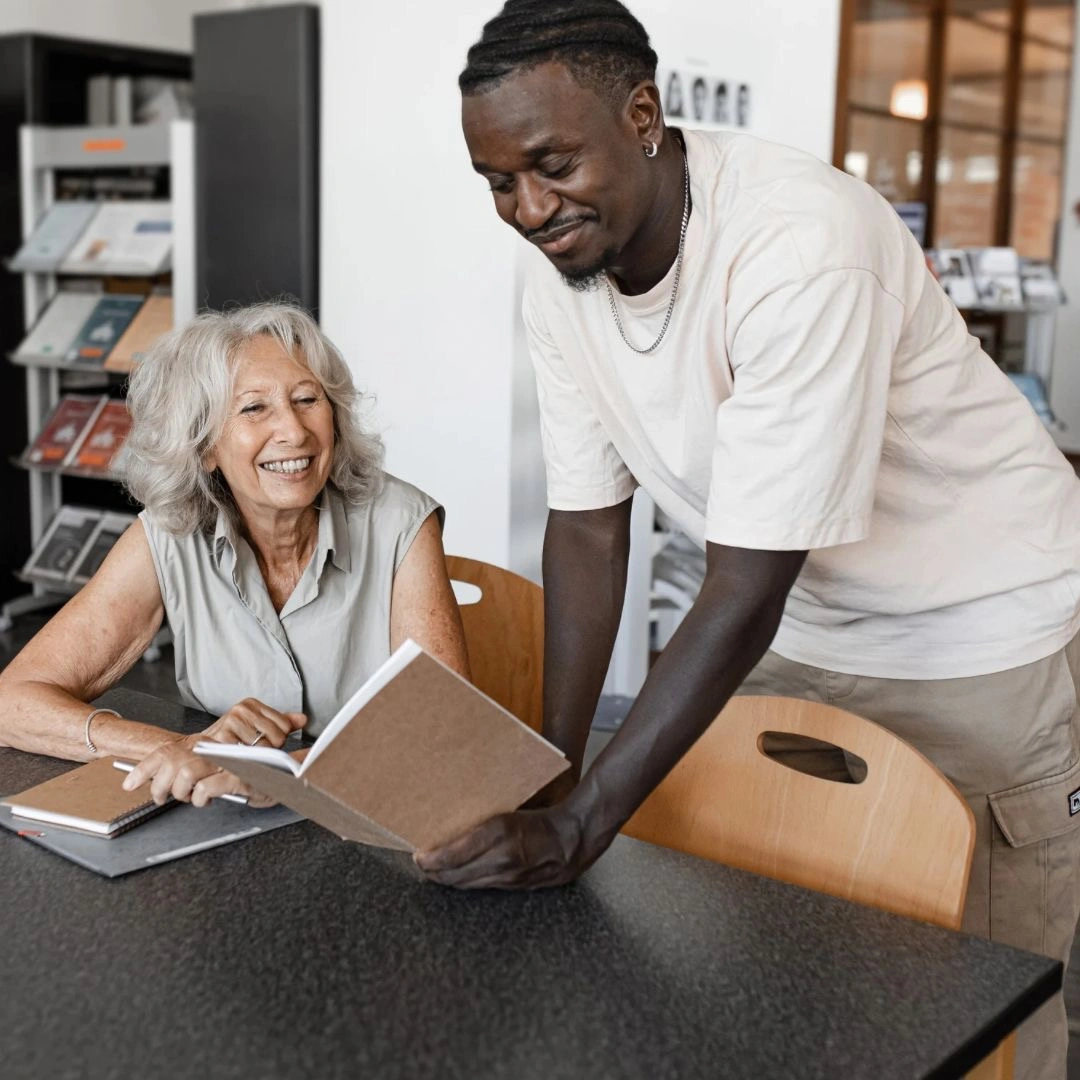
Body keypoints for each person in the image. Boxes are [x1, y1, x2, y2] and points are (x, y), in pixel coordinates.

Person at [418, 2, 1080, 1077]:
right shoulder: (564, 276)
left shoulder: (798, 243)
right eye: (499, 182)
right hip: (807, 618)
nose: (531, 208)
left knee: (979, 1005)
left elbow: (743, 583)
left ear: (642, 114)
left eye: (551, 164)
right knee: (780, 959)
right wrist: (554, 772)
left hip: (975, 636)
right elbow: (588, 530)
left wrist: (585, 827)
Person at [0, 302, 469, 807]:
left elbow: (440, 729)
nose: (294, 431)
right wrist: (186, 749)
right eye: (254, 408)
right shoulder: (169, 534)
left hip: (374, 811)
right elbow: (12, 703)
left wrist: (281, 772)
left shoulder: (401, 522)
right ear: (205, 445)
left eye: (308, 399)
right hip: (225, 820)